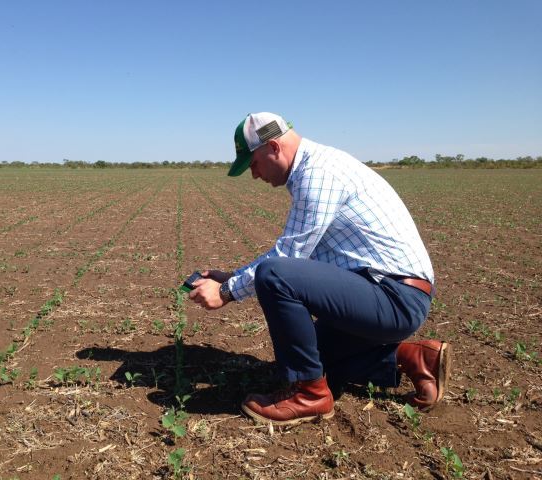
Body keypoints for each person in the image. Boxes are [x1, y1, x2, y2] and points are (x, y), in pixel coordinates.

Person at [189, 112, 451, 426]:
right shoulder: (317, 166)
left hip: (394, 296)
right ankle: (415, 358)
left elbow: (288, 257)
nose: (255, 175)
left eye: (253, 164)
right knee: (311, 359)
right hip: (384, 291)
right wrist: (233, 277)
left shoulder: (318, 173)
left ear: (274, 147)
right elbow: (304, 259)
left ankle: (309, 396)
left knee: (275, 275)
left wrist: (226, 292)